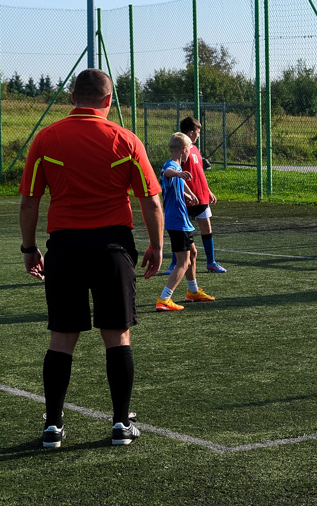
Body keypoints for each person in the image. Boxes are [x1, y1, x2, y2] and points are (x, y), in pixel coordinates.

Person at [18, 69, 164, 449]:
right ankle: (120, 423)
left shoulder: (47, 139)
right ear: (108, 100)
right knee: (117, 336)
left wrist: (29, 247)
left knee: (61, 339)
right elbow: (150, 200)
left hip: (64, 249)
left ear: (72, 98)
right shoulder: (126, 140)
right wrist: (156, 246)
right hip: (112, 248)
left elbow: (30, 200)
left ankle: (52, 426)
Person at [157, 132, 215, 312]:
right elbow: (168, 172)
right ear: (183, 150)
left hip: (181, 221)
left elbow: (178, 183)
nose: (191, 152)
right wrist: (180, 173)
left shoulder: (177, 168)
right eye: (189, 148)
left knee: (193, 253)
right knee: (183, 262)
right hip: (177, 222)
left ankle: (193, 291)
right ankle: (164, 298)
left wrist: (189, 193)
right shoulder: (171, 166)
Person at [164, 116, 227, 275]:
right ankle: (174, 263)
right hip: (186, 199)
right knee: (181, 231)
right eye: (198, 133)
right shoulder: (182, 150)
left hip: (200, 196)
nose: (198, 136)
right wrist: (186, 192)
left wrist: (208, 190)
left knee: (206, 227)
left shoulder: (195, 149)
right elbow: (174, 172)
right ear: (191, 133)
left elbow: (199, 173)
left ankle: (211, 262)